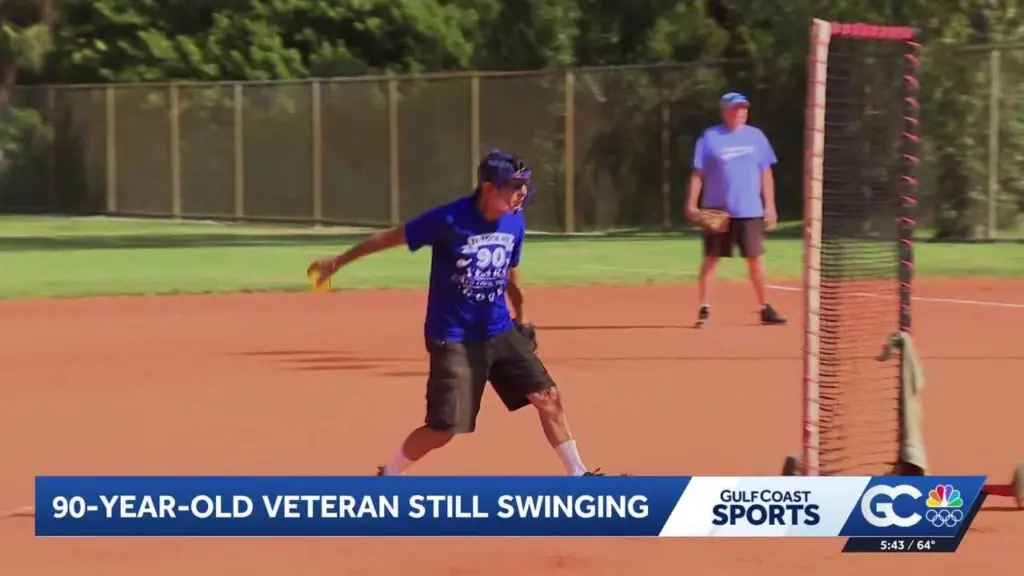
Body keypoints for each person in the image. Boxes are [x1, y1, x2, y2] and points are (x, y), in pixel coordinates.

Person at [308, 150, 603, 477]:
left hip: (498, 328)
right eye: (514, 185)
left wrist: (521, 318)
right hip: (454, 337)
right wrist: (339, 261)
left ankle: (579, 476)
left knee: (548, 397)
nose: (521, 193)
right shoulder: (448, 219)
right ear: (489, 188)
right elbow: (391, 237)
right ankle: (390, 474)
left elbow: (509, 271)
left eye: (524, 185)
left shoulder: (514, 220)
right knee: (444, 427)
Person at [685, 92, 787, 327]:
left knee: (755, 260)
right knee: (711, 259)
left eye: (743, 108)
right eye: (735, 108)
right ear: (724, 111)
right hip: (718, 210)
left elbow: (766, 172)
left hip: (750, 209)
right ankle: (704, 308)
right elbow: (697, 174)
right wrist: (691, 204)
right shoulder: (710, 137)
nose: (740, 111)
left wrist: (770, 206)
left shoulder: (756, 136)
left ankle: (765, 307)